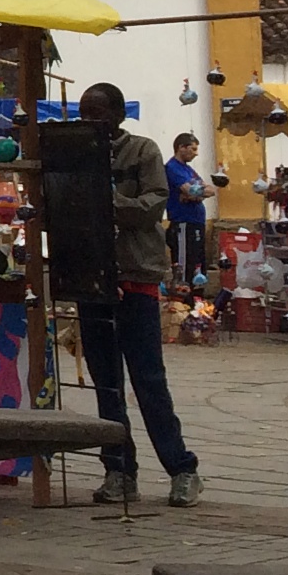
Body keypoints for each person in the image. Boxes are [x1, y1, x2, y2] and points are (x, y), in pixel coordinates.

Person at [75, 83, 203, 506]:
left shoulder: (143, 151)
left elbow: (152, 206)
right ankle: (118, 470)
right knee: (107, 385)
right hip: (93, 281)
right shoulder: (76, 153)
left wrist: (107, 201)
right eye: (84, 113)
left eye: (97, 113)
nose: (89, 121)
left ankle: (182, 469)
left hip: (136, 279)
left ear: (117, 115)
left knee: (148, 381)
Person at [165, 131, 211, 285]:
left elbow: (209, 190)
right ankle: (183, 294)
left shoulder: (189, 170)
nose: (196, 154)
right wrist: (194, 193)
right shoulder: (173, 168)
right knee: (185, 266)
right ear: (181, 148)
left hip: (197, 222)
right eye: (193, 149)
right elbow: (189, 190)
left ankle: (196, 296)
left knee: (198, 264)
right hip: (183, 222)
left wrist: (195, 194)